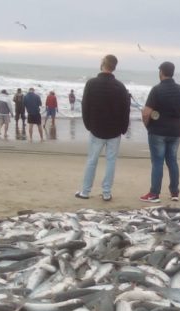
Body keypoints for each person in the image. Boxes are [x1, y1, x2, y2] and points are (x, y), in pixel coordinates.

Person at [75, 54, 130, 202]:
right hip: (114, 130)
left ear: (102, 64)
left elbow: (85, 105)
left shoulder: (92, 83)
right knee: (111, 161)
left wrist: (88, 124)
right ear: (114, 67)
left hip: (97, 128)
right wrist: (123, 128)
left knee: (92, 160)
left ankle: (85, 191)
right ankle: (106, 192)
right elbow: (126, 109)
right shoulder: (120, 86)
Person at [140, 61, 180, 203]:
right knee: (172, 161)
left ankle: (154, 193)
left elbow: (146, 113)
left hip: (158, 131)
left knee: (157, 162)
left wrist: (148, 126)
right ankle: (174, 192)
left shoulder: (156, 90)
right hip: (175, 132)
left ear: (161, 72)